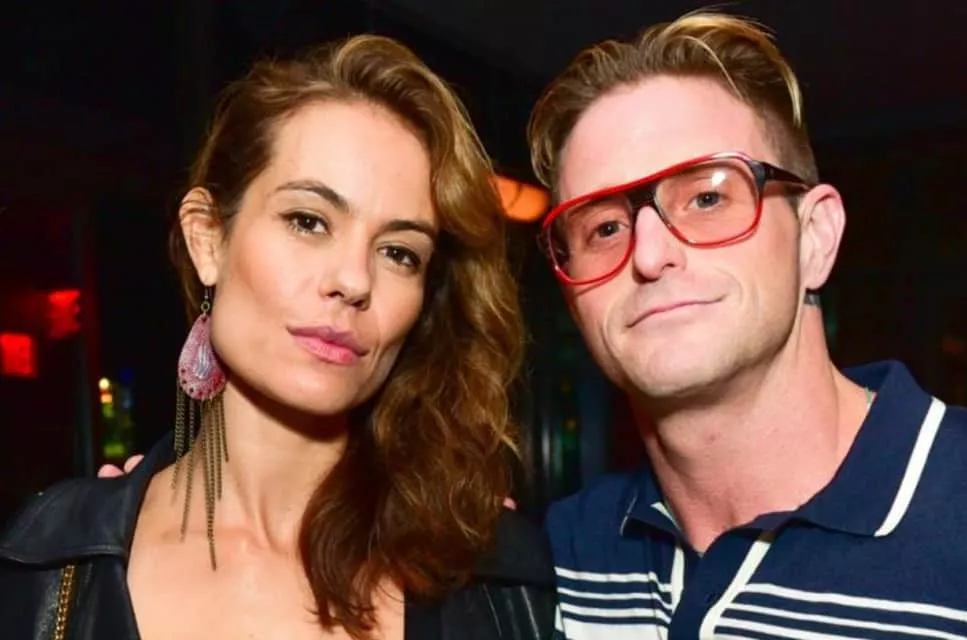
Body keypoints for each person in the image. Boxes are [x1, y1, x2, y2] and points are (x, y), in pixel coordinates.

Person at [526, 11, 967, 639]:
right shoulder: (563, 558)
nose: (650, 255)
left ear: (815, 237)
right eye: (603, 228)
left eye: (707, 198)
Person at [0, 35, 555, 639]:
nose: (353, 280)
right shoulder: (50, 562)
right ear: (209, 239)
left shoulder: (497, 579)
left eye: (399, 253)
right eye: (308, 221)